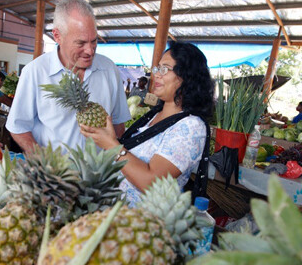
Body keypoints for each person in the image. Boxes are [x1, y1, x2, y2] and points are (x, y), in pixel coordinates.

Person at [81, 42, 213, 205]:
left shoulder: (191, 127)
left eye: (164, 69)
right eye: (157, 69)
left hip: (141, 223)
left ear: (187, 76)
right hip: (112, 213)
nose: (156, 74)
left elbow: (151, 182)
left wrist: (111, 145)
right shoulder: (154, 115)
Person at [6, 0, 130, 153]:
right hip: (55, 173)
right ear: (57, 36)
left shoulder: (109, 69)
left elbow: (118, 125)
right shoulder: (35, 72)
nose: (90, 51)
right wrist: (42, 159)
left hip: (98, 173)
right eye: (81, 43)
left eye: (94, 41)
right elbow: (18, 126)